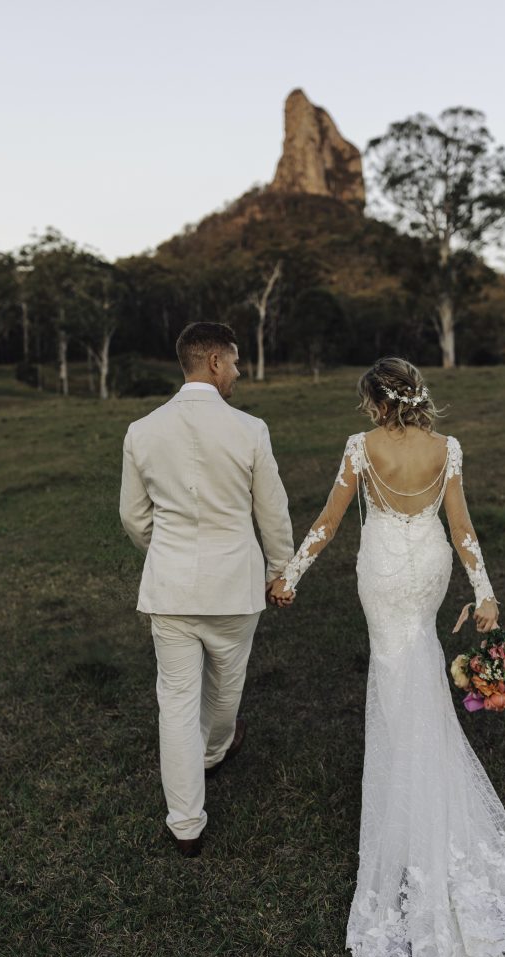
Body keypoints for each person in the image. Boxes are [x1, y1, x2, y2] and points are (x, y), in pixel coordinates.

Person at [269, 357, 505, 957]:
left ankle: (404, 784)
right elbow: (461, 525)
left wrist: (290, 576)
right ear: (415, 396)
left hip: (382, 569)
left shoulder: (359, 449)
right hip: (430, 568)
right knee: (416, 655)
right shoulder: (445, 449)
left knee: (395, 666)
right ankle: (422, 772)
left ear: (373, 400)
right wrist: (484, 593)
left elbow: (330, 521)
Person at [119, 322, 293, 858]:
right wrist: (279, 568)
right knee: (225, 689)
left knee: (174, 702)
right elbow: (272, 510)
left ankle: (186, 825)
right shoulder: (250, 429)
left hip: (169, 588)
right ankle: (216, 751)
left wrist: (166, 551)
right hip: (233, 586)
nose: (239, 372)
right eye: (236, 362)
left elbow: (131, 515)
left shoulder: (142, 430)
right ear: (214, 362)